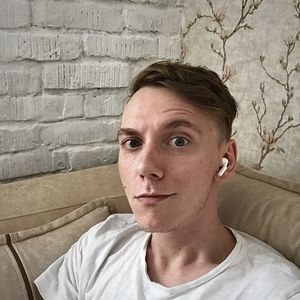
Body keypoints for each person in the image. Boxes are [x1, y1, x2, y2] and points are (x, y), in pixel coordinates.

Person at [35, 61, 300, 299]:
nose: (145, 167)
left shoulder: (276, 290)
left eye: (178, 141)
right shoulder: (100, 243)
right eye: (133, 142)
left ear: (226, 160)